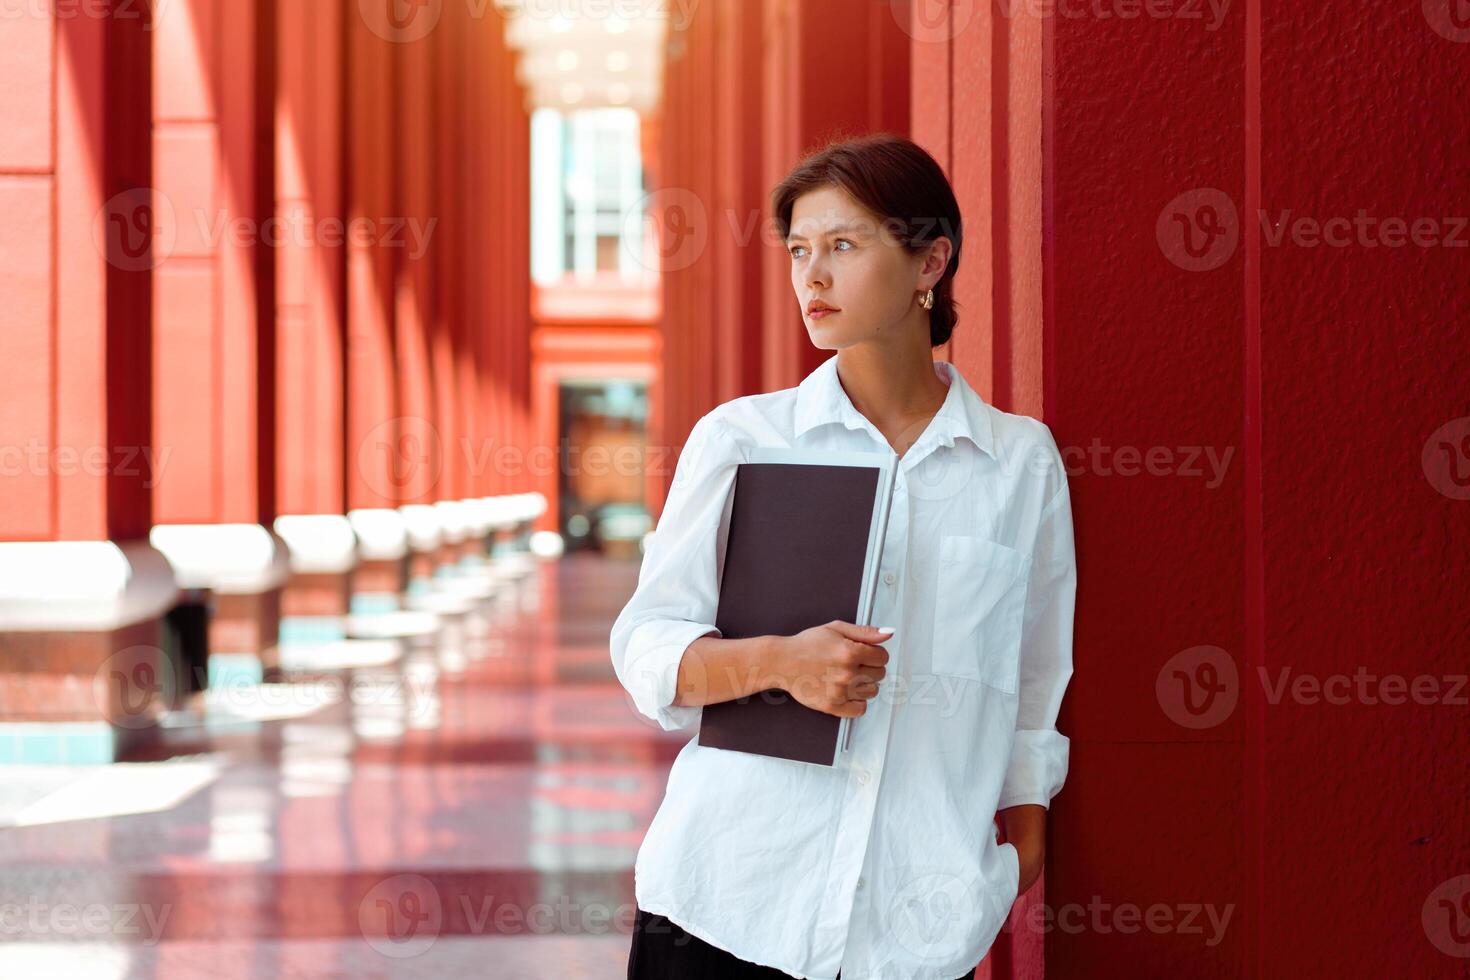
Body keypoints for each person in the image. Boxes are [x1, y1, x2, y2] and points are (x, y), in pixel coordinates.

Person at [611, 133, 1077, 980]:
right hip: (726, 905)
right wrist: (782, 663)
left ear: (930, 261)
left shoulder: (1020, 462)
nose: (811, 277)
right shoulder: (744, 440)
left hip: (914, 930)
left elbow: (1036, 671)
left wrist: (1022, 831)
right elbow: (645, 648)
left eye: (842, 246)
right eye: (798, 250)